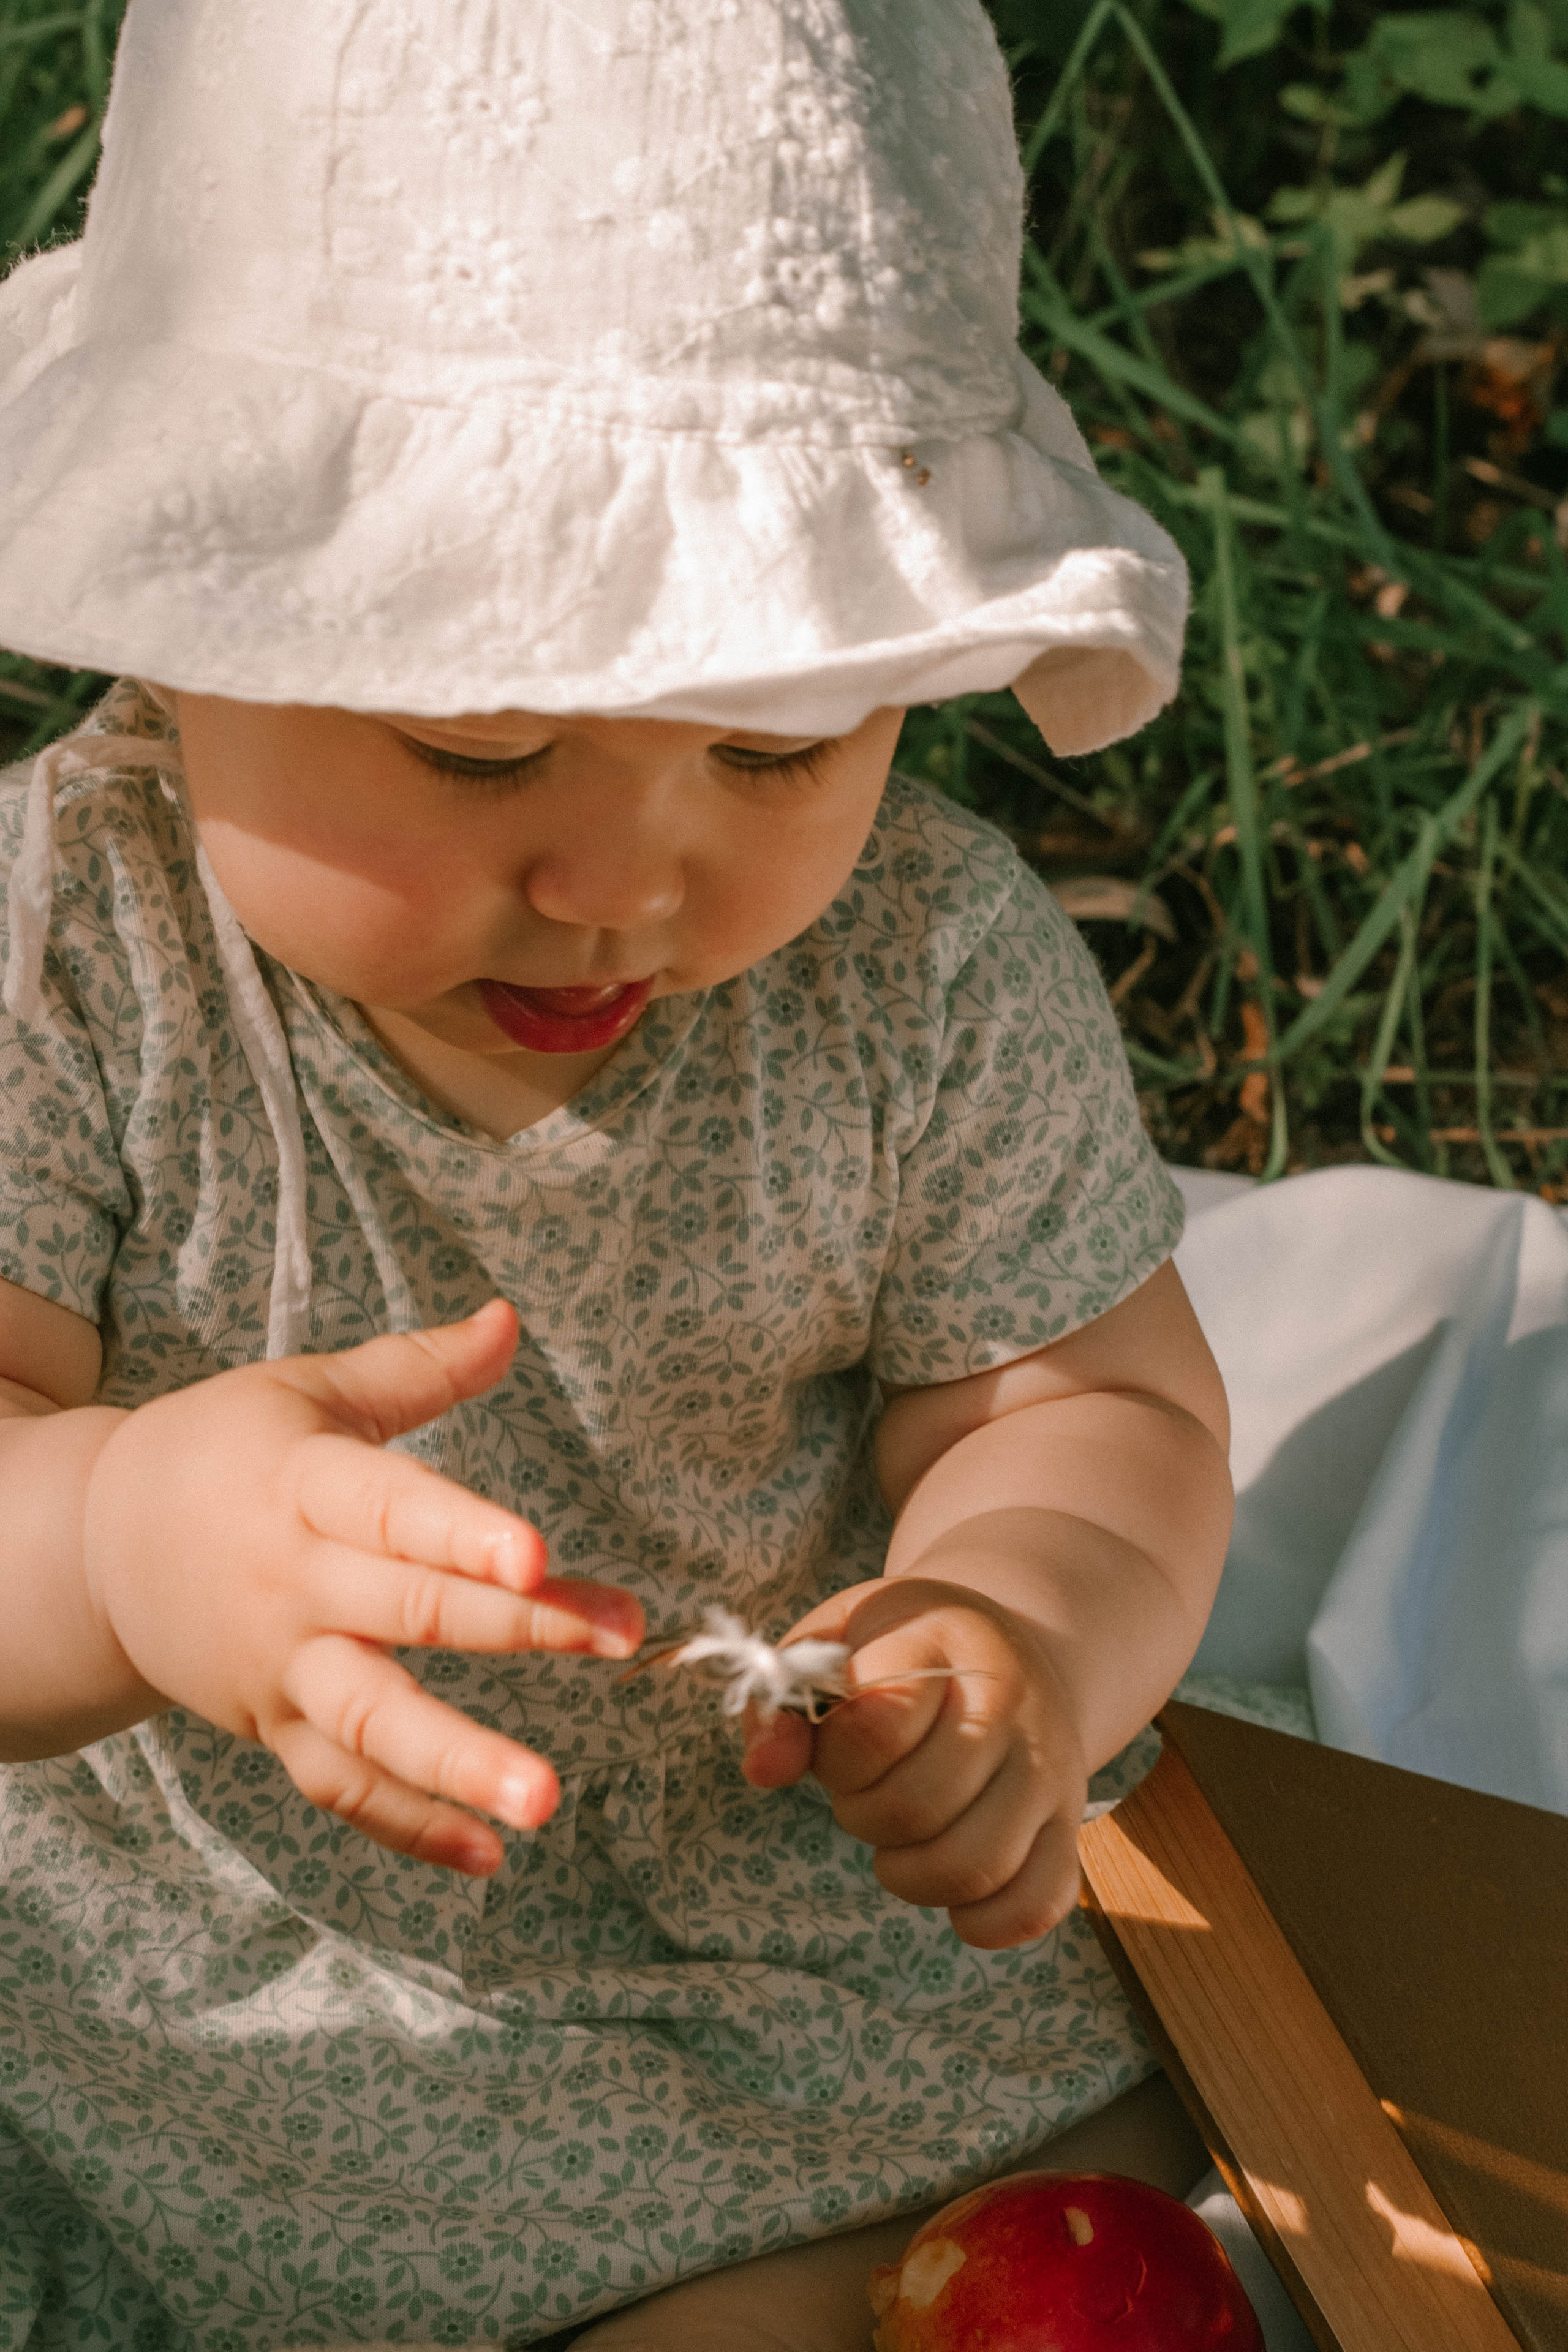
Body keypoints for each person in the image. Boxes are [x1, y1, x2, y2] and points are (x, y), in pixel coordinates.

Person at [0, 3, 1240, 2346]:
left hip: (787, 1890)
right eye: (478, 745)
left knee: (1199, 2121)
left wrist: (1020, 1621)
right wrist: (115, 1535)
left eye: (777, 746)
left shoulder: (922, 961)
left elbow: (1094, 1416)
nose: (624, 880)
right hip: (295, 1952)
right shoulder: (73, 950)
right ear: (181, 610)